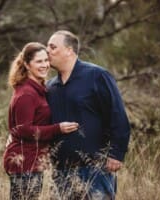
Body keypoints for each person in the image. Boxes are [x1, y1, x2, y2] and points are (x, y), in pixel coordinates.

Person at [46, 30, 131, 200]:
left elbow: (117, 115)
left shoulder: (96, 76)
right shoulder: (50, 86)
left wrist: (116, 154)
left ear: (69, 50)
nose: (47, 51)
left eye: (53, 47)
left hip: (95, 169)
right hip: (60, 171)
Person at [3, 42, 79, 200]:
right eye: (39, 61)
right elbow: (23, 129)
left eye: (46, 60)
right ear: (26, 64)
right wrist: (58, 129)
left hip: (33, 161)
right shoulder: (27, 93)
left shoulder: (38, 89)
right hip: (24, 162)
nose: (44, 65)